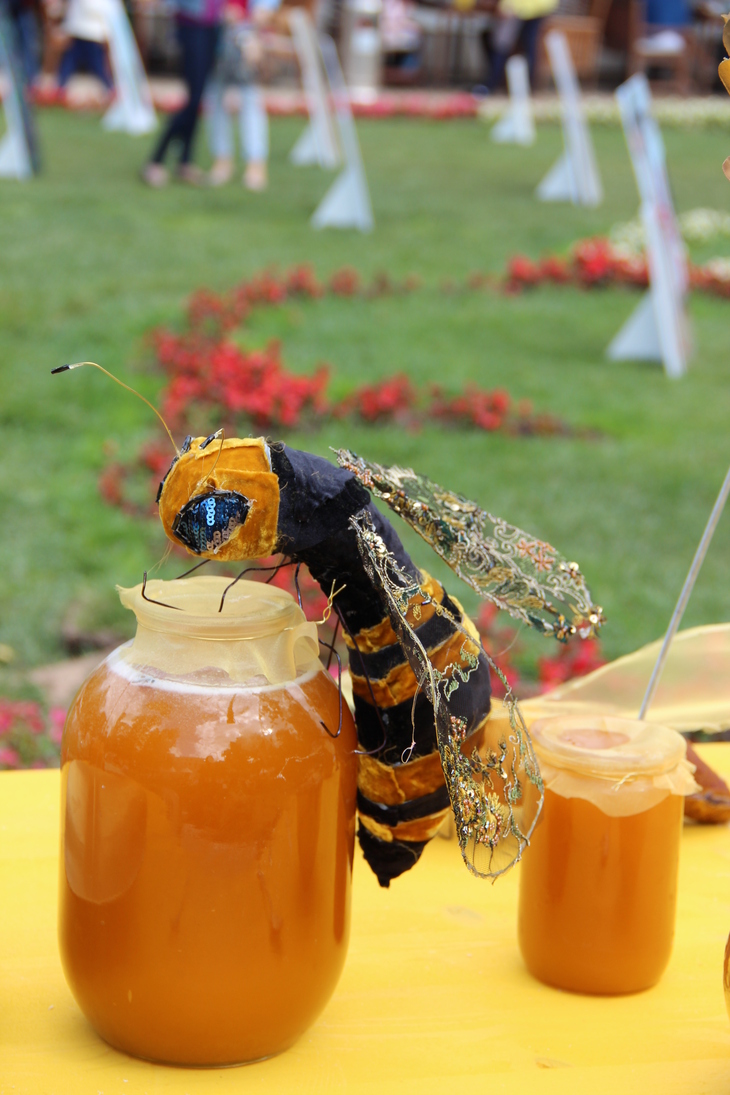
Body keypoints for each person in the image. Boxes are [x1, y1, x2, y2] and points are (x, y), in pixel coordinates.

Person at [142, 0, 224, 187]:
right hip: (192, 26)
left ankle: (185, 162)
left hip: (213, 26)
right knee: (193, 98)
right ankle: (156, 160)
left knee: (198, 98)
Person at [205, 0, 278, 191]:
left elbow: (265, 8)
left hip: (248, 35)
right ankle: (222, 160)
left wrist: (260, 15)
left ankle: (255, 163)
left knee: (250, 102)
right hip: (217, 36)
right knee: (217, 102)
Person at [484, 0, 558, 93]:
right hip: (536, 8)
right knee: (527, 49)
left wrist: (506, 6)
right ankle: (521, 87)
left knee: (503, 45)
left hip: (520, 9)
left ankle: (493, 83)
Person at [57, 0, 112, 95]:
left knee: (102, 73)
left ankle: (109, 90)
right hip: (77, 30)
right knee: (66, 71)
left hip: (95, 32)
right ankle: (60, 90)